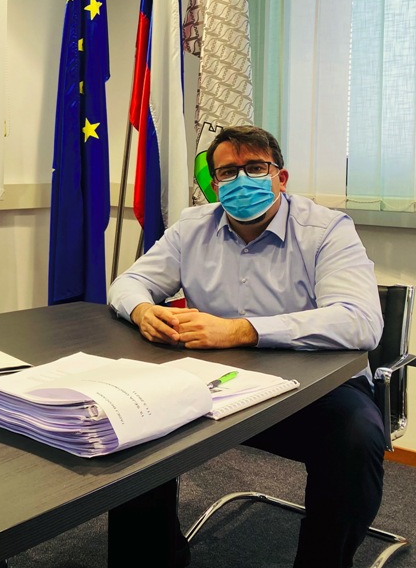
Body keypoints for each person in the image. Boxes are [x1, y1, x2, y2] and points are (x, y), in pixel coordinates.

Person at [107, 125, 385, 568]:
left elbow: (361, 321)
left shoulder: (326, 229)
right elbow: (130, 282)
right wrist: (142, 310)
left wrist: (242, 330)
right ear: (215, 185)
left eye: (255, 168)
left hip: (310, 390)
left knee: (357, 438)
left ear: (281, 178)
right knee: (135, 421)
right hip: (216, 384)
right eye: (227, 172)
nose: (241, 180)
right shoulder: (192, 226)